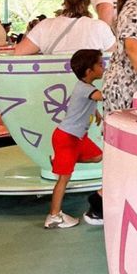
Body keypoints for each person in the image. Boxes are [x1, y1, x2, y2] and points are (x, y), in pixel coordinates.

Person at [44, 50, 104, 230]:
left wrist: (96, 113)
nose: (104, 67)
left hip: (76, 137)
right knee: (64, 178)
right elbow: (102, 96)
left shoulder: (83, 87)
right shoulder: (87, 89)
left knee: (97, 156)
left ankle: (61, 161)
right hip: (67, 137)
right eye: (100, 65)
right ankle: (54, 216)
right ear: (89, 71)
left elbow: (84, 104)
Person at [13, 0, 115, 56]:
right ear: (88, 4)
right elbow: (116, 54)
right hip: (90, 85)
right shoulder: (100, 27)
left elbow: (19, 51)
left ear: (65, 2)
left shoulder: (45, 26)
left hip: (52, 84)